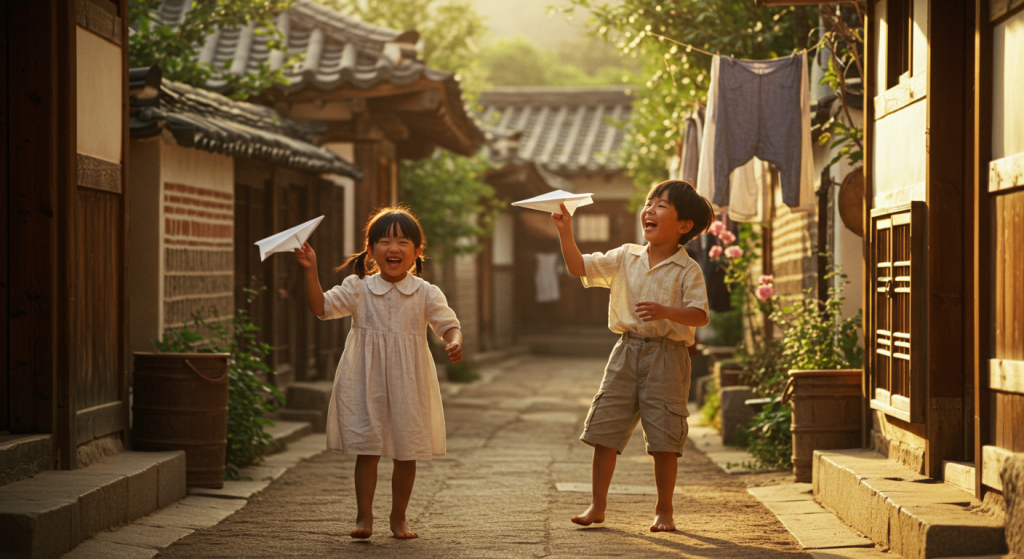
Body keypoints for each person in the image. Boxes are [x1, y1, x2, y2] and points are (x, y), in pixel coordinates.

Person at [551, 180, 714, 532]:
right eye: (648, 202)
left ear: (684, 225)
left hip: (668, 357)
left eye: (661, 205)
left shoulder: (688, 269)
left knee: (664, 437)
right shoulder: (625, 255)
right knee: (604, 429)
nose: (649, 209)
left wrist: (666, 311)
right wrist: (565, 230)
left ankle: (664, 510)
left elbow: (699, 315)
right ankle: (597, 505)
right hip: (625, 351)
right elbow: (578, 267)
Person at [294, 206, 463, 540]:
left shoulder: (426, 292)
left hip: (409, 382)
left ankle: (399, 518)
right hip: (365, 379)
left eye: (402, 242)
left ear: (417, 251)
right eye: (384, 241)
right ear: (371, 251)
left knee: (407, 451)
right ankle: (364, 515)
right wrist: (310, 269)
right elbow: (320, 307)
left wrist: (454, 342)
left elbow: (449, 324)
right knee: (368, 448)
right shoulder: (358, 288)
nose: (393, 248)